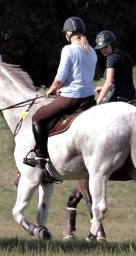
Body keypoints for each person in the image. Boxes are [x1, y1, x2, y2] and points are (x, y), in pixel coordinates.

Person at [30, 16, 98, 168]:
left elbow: (60, 77)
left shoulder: (68, 49)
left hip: (72, 99)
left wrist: (52, 89)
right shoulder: (92, 51)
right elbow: (82, 76)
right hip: (89, 98)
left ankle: (41, 157)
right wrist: (63, 87)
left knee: (37, 118)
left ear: (68, 33)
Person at [94, 30, 136, 104]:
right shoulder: (124, 56)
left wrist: (97, 102)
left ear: (112, 44)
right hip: (132, 97)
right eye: (101, 48)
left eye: (105, 46)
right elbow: (122, 82)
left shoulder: (111, 58)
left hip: (119, 98)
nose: (103, 50)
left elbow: (109, 83)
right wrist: (103, 88)